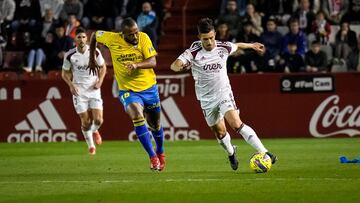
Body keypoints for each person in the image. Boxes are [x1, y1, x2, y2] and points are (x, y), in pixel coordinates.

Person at [170, 18, 277, 171]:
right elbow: (174, 66)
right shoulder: (193, 52)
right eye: (205, 39)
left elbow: (237, 45)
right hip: (206, 99)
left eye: (211, 38)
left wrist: (252, 46)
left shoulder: (223, 47)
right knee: (220, 133)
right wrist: (183, 65)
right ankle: (231, 152)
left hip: (223, 93)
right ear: (199, 38)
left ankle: (265, 153)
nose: (209, 42)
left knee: (236, 124)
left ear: (215, 34)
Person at [87, 18, 165, 171]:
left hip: (149, 89)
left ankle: (160, 152)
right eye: (131, 34)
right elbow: (94, 35)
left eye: (136, 32)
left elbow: (153, 62)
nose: (135, 37)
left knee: (155, 125)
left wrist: (136, 65)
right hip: (128, 90)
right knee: (136, 115)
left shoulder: (144, 38)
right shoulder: (111, 38)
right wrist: (91, 59)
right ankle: (152, 156)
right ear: (122, 34)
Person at [62, 27, 106, 155]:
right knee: (85, 121)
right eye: (79, 37)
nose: (81, 40)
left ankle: (94, 131)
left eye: (83, 37)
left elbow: (103, 68)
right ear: (75, 39)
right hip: (79, 91)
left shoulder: (95, 51)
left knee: (98, 120)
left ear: (87, 38)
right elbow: (64, 73)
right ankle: (91, 146)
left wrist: (100, 81)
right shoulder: (70, 55)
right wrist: (70, 85)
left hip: (93, 89)